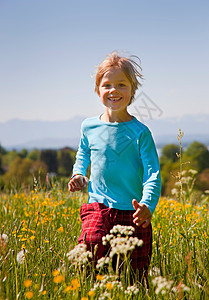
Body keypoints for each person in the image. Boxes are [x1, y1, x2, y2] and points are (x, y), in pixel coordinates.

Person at [68, 51, 161, 282]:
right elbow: (83, 154)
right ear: (98, 89)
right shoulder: (88, 126)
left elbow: (152, 174)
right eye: (107, 84)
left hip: (133, 210)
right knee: (89, 250)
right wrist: (78, 174)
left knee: (134, 276)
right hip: (97, 205)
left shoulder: (141, 133)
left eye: (121, 84)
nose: (114, 90)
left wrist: (147, 205)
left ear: (132, 90)